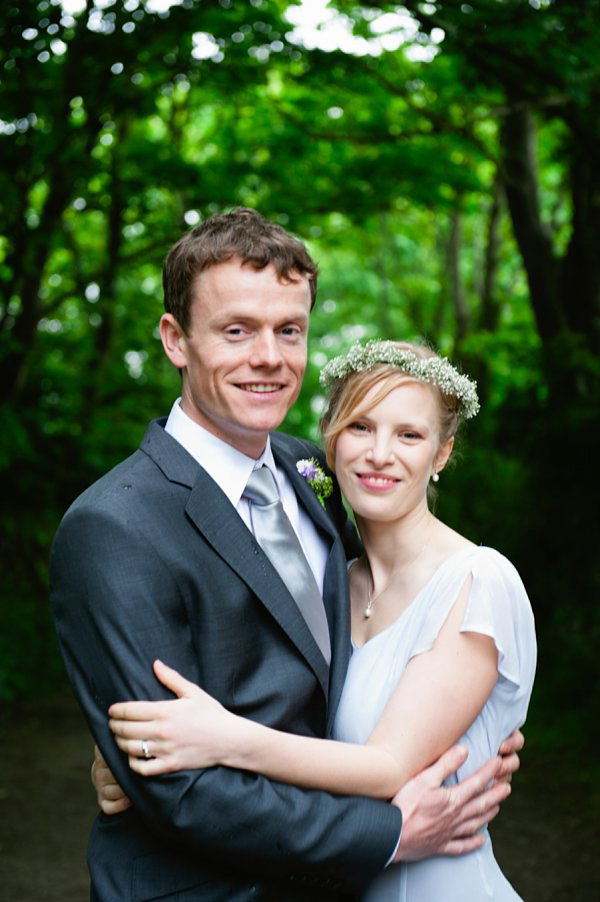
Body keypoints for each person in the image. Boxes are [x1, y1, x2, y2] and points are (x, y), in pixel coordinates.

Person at [51, 209, 521, 902]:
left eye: (289, 331)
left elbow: (396, 618)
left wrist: (479, 724)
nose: (268, 356)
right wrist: (386, 832)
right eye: (236, 330)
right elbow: (178, 788)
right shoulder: (113, 525)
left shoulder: (316, 473)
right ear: (176, 340)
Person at [105, 340, 536, 901]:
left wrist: (224, 739)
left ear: (441, 454)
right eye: (361, 426)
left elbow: (387, 767)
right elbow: (269, 690)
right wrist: (120, 757)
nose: (380, 453)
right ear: (329, 438)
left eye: (409, 435)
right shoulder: (334, 576)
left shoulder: (478, 581)